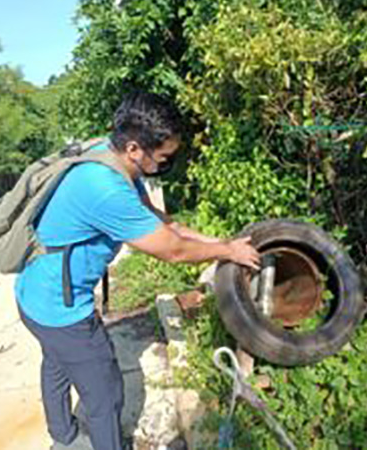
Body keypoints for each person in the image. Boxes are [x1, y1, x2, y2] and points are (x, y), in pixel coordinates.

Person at [15, 91, 260, 450]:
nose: (165, 164)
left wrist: (221, 243)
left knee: (55, 362)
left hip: (34, 294)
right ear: (134, 148)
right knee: (106, 393)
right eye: (163, 158)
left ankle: (63, 436)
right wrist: (225, 251)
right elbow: (172, 250)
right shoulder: (105, 189)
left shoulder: (107, 152)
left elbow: (162, 224)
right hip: (61, 309)